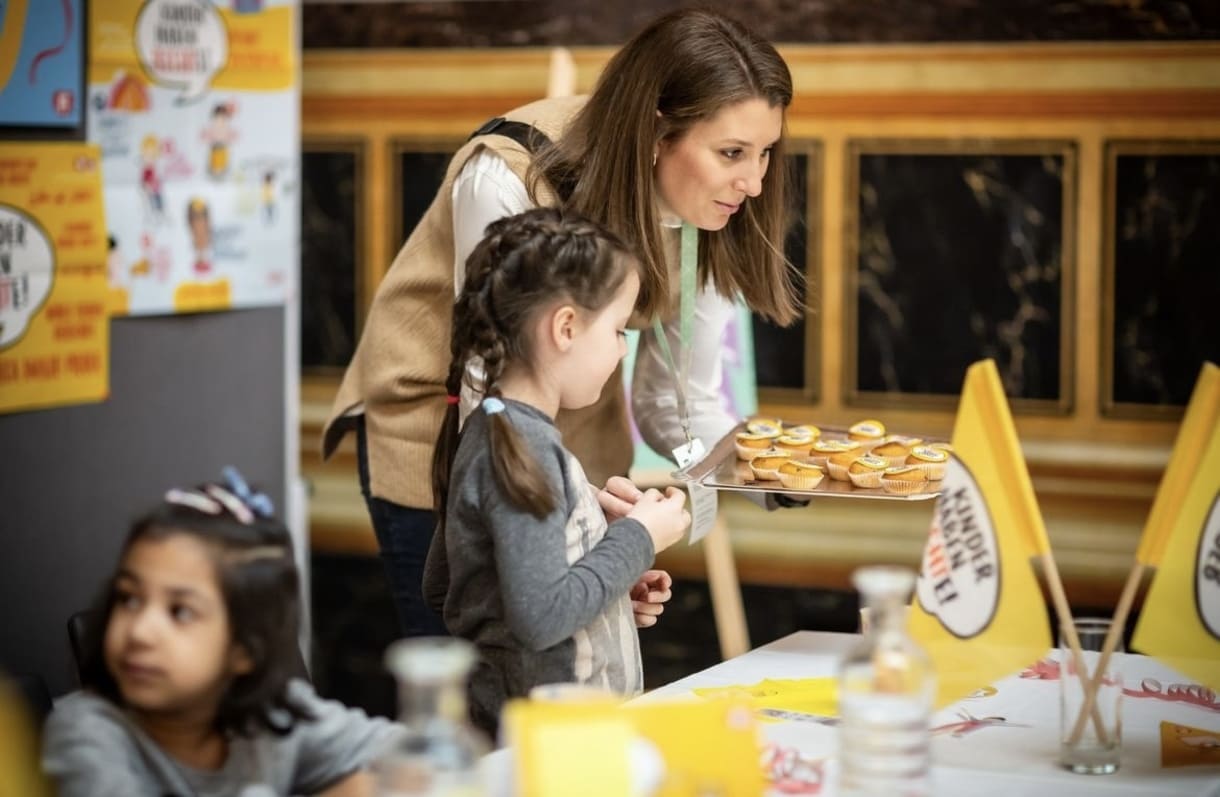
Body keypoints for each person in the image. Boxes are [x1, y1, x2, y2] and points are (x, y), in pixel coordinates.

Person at [322, 7, 802, 639]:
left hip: (571, 452)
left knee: (566, 674)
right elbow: (484, 391)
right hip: (443, 434)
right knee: (477, 676)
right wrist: (591, 539)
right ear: (658, 135)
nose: (755, 183)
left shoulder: (711, 210)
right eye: (733, 152)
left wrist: (761, 469)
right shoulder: (511, 170)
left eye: (765, 153)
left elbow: (670, 397)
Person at [421, 208, 691, 736]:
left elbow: (456, 587)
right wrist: (639, 538)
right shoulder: (523, 446)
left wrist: (602, 600)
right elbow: (539, 616)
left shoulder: (494, 428)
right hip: (546, 743)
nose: (621, 349)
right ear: (566, 327)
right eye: (617, 330)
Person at [42, 469, 403, 797]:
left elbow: (413, 752)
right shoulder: (86, 734)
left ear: (245, 649)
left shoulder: (274, 715)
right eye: (129, 599)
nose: (139, 631)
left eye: (180, 611)